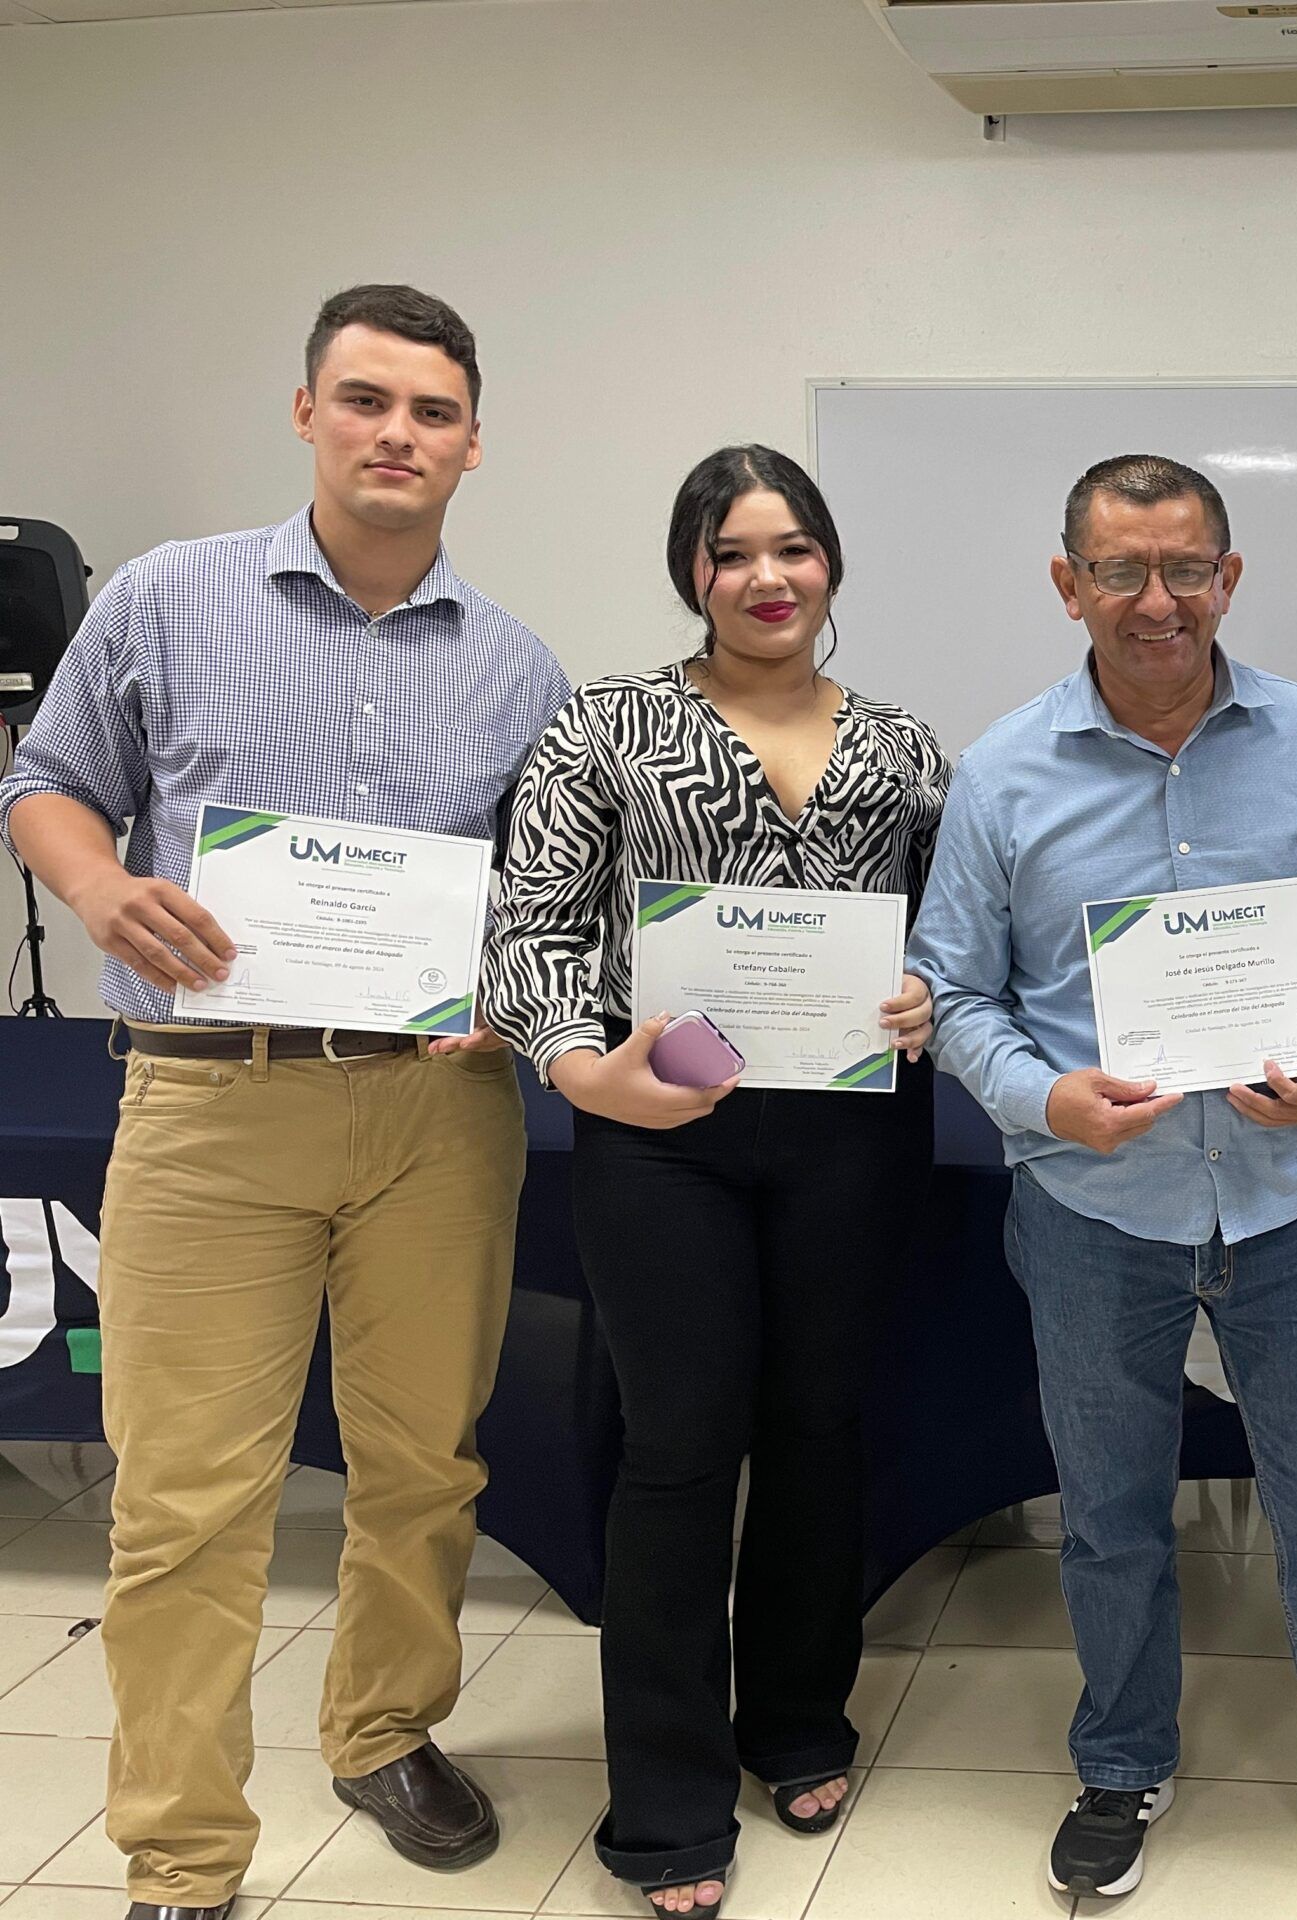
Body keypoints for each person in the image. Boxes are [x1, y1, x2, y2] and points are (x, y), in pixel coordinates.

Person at [0, 286, 571, 1920]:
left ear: (474, 441)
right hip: (207, 1109)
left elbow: (542, 898)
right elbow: (44, 784)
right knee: (185, 1500)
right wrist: (102, 890)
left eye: (433, 411)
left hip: (435, 1119)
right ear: (307, 412)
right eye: (367, 400)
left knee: (425, 1466)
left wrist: (522, 991)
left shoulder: (518, 666)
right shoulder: (171, 599)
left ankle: (385, 1730)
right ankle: (180, 1854)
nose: (399, 433)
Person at [907, 454, 1297, 1920]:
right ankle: (1121, 1764)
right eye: (1120, 571)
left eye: (1185, 570)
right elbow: (956, 993)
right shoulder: (1002, 771)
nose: (1156, 601)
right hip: (1095, 1206)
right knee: (1106, 1515)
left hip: (1286, 1193)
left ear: (1231, 576)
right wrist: (1046, 1099)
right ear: (1067, 583)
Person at [481, 446, 944, 1918]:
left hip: (853, 1136)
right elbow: (531, 930)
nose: (767, 578)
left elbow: (965, 932)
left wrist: (935, 990)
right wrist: (580, 1068)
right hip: (659, 1136)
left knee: (817, 1431)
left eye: (794, 548)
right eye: (733, 551)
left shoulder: (906, 750)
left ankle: (797, 1720)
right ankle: (667, 1800)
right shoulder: (607, 727)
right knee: (678, 1451)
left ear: (832, 566)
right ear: (693, 571)